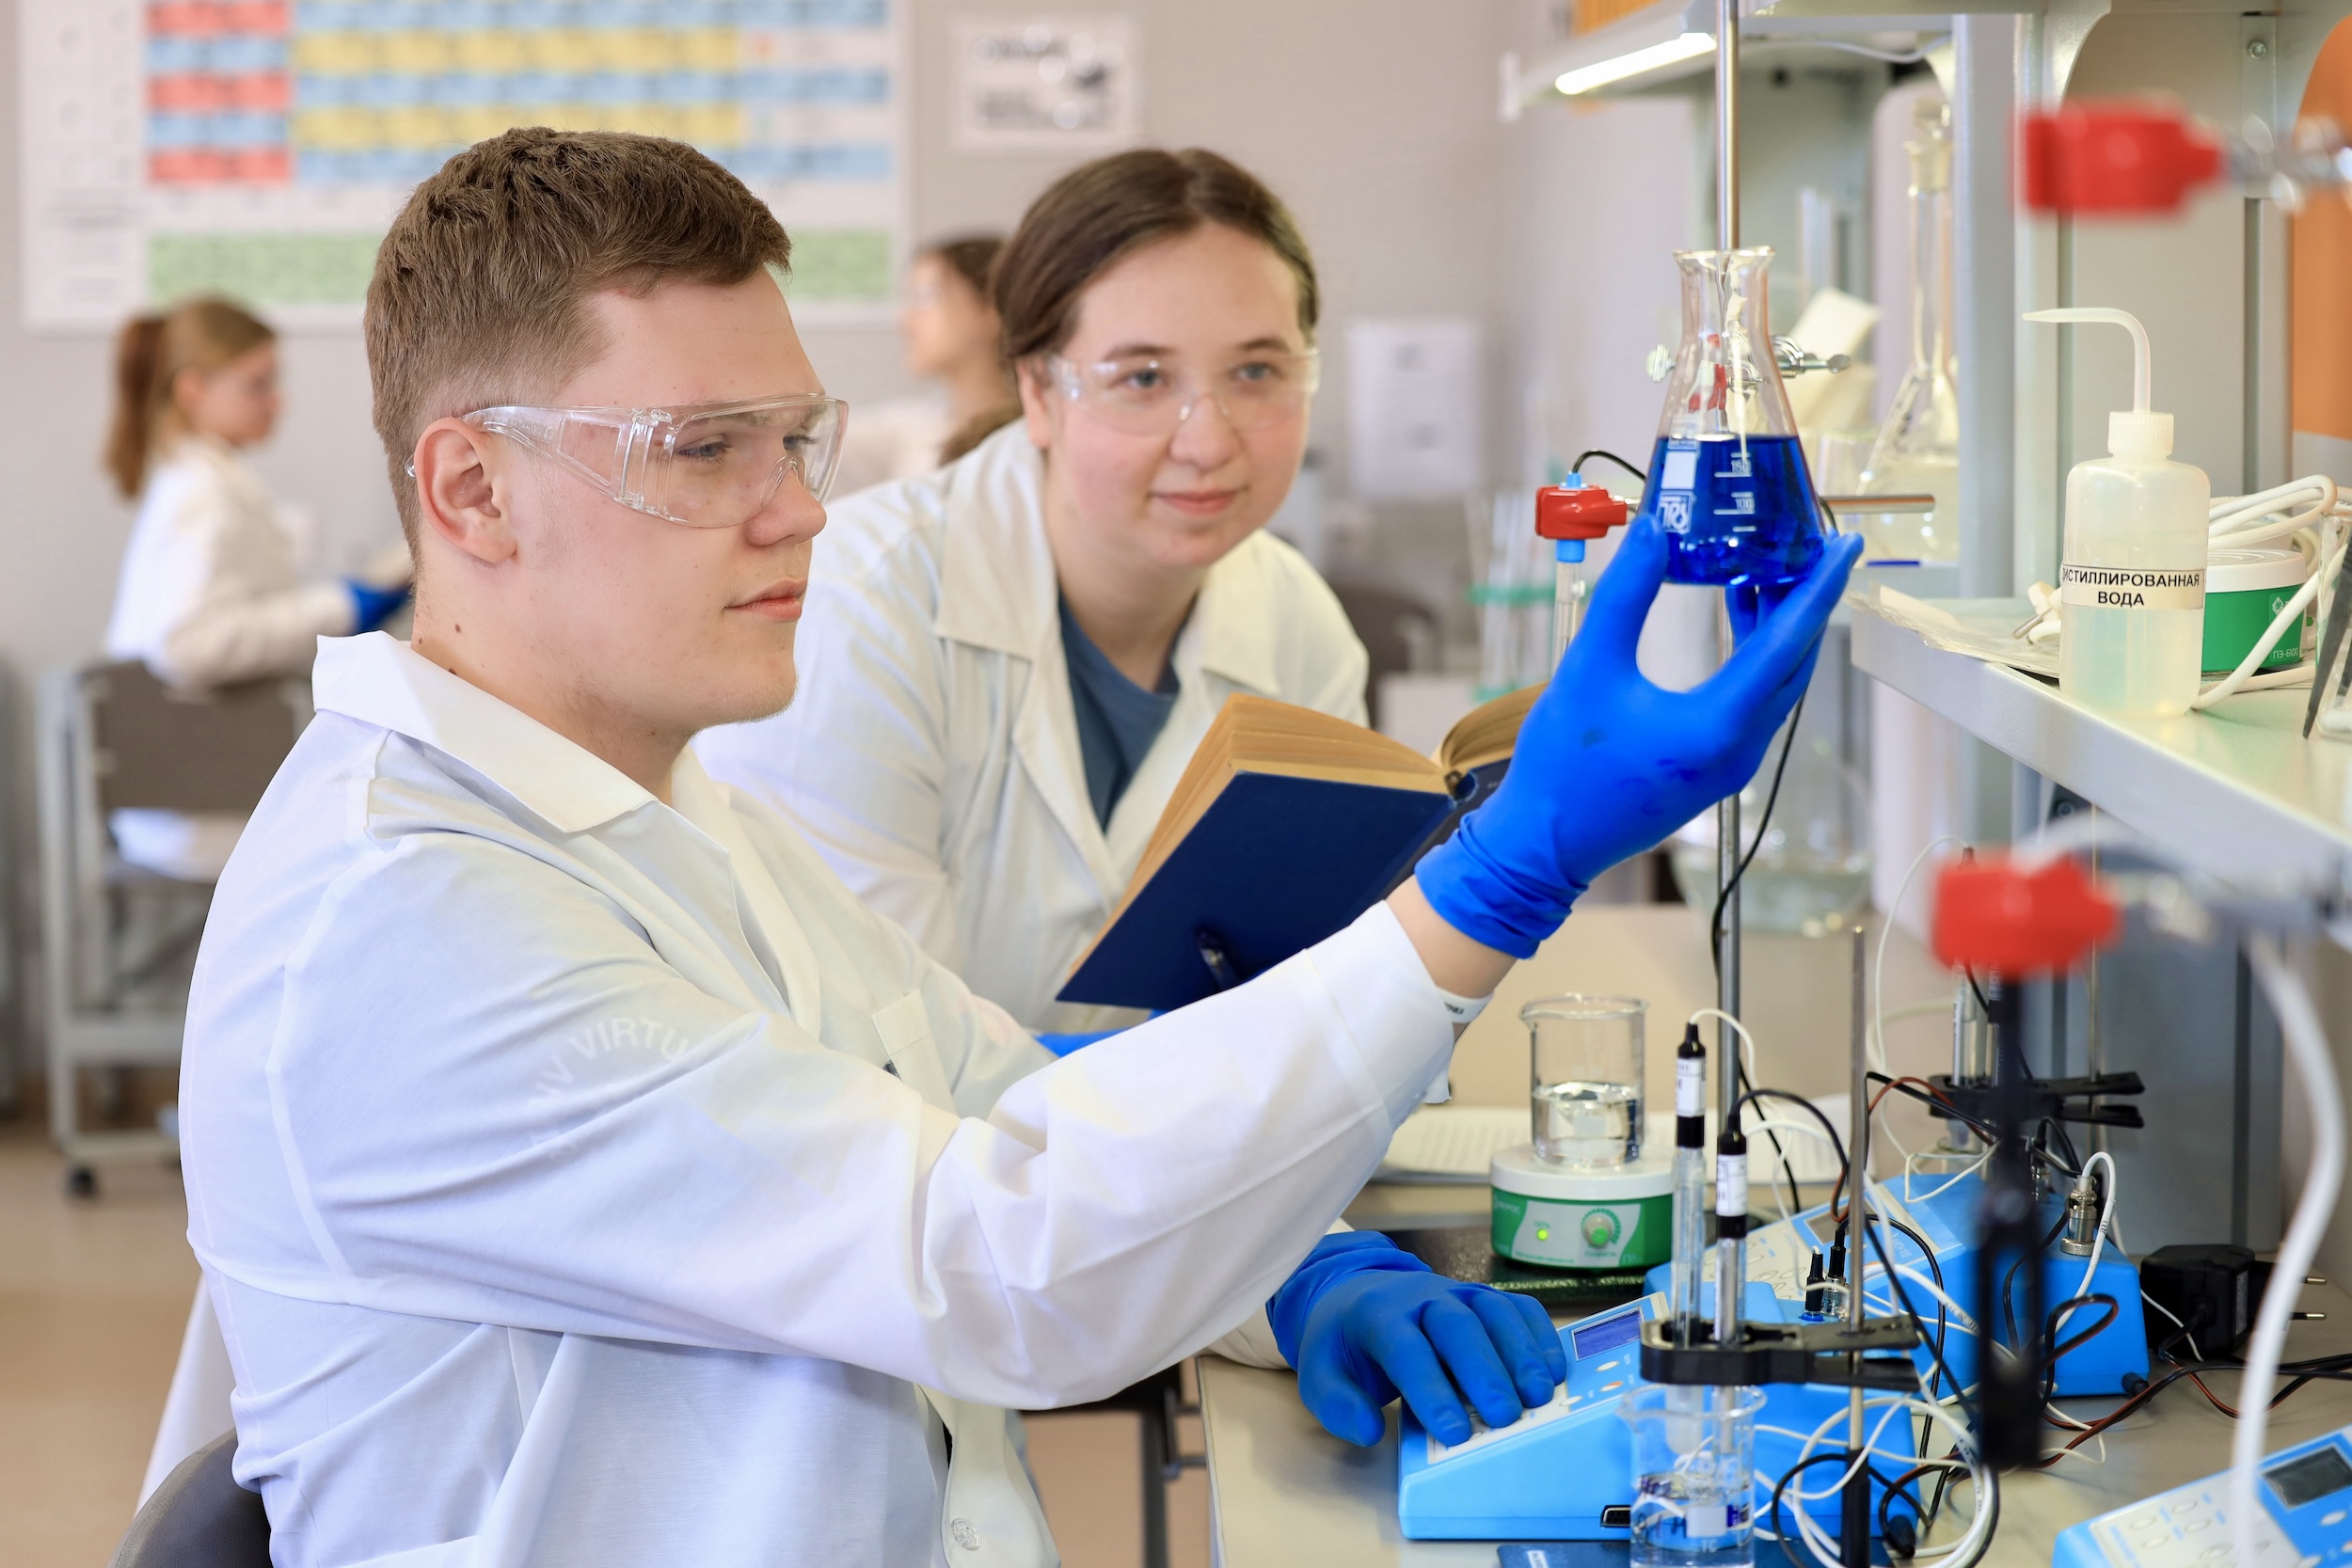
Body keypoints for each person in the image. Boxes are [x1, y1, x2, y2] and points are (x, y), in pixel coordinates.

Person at [179, 128, 1857, 1568]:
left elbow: (988, 1088)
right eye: (702, 448)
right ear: (471, 492)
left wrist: (1300, 1263)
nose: (800, 508)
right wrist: (1502, 878)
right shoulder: (407, 922)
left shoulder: (657, 809)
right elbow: (994, 1254)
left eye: (794, 438)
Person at [699, 151, 1368, 1037]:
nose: (1209, 443)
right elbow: (880, 1048)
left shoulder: (1299, 624)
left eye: (1256, 373)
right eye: (1143, 378)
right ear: (1038, 391)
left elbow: (1316, 998)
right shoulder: (859, 607)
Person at [101, 297, 410, 879]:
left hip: (185, 794)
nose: (277, 400)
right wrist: (345, 604)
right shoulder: (202, 495)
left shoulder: (201, 481)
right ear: (193, 391)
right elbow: (186, 644)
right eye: (257, 384)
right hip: (200, 806)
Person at [827, 233, 1015, 497]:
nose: (905, 320)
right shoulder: (917, 426)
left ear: (989, 309)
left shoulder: (1033, 437)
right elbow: (819, 439)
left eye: (926, 297)